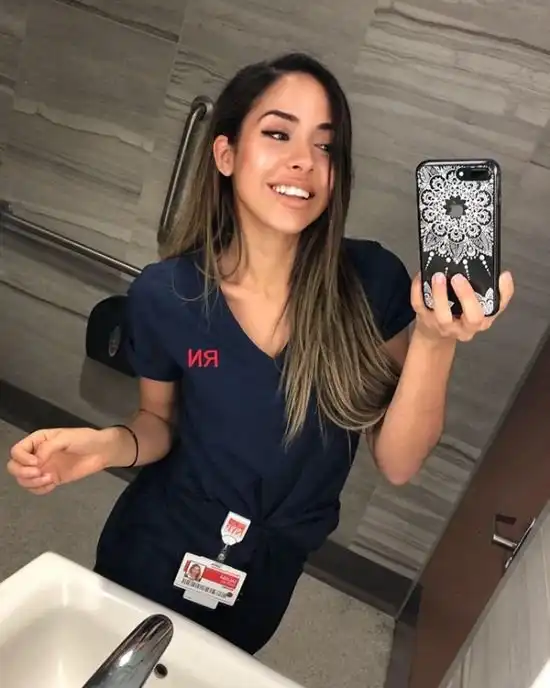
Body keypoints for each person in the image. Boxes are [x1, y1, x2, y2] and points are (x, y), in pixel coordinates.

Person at [7, 53, 514, 654]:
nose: (304, 160)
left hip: (264, 574)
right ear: (225, 154)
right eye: (278, 134)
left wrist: (435, 340)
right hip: (157, 541)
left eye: (325, 146)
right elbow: (157, 422)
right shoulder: (168, 295)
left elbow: (399, 463)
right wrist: (102, 447)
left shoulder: (371, 283)